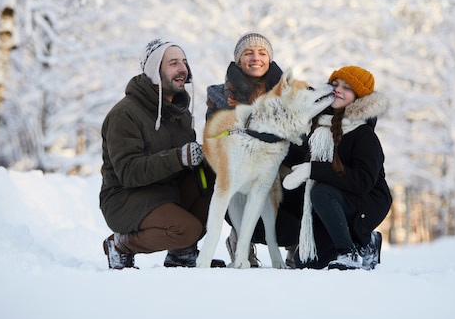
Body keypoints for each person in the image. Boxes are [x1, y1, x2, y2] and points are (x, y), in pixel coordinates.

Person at [99, 38, 223, 269]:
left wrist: (210, 155)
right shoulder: (125, 114)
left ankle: (182, 254)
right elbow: (128, 173)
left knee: (217, 181)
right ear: (155, 71)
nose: (183, 69)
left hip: (166, 192)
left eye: (184, 62)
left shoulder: (180, 113)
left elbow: (187, 163)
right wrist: (178, 157)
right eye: (173, 63)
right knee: (187, 229)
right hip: (126, 198)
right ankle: (120, 244)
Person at [206, 32, 304, 268]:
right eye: (248, 53)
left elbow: (300, 131)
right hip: (240, 170)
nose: (255, 58)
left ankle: (295, 243)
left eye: (262, 53)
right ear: (239, 60)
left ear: (269, 59)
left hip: (279, 166)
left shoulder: (289, 92)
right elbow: (217, 134)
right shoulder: (218, 95)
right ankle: (241, 239)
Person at [282, 65, 392, 270]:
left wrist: (314, 170)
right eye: (335, 84)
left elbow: (363, 181)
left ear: (360, 97)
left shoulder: (364, 135)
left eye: (347, 87)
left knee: (321, 191)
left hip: (367, 202)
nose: (338, 89)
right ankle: (366, 242)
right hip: (334, 201)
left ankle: (347, 252)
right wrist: (276, 143)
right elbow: (302, 158)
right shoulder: (320, 126)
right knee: (305, 262)